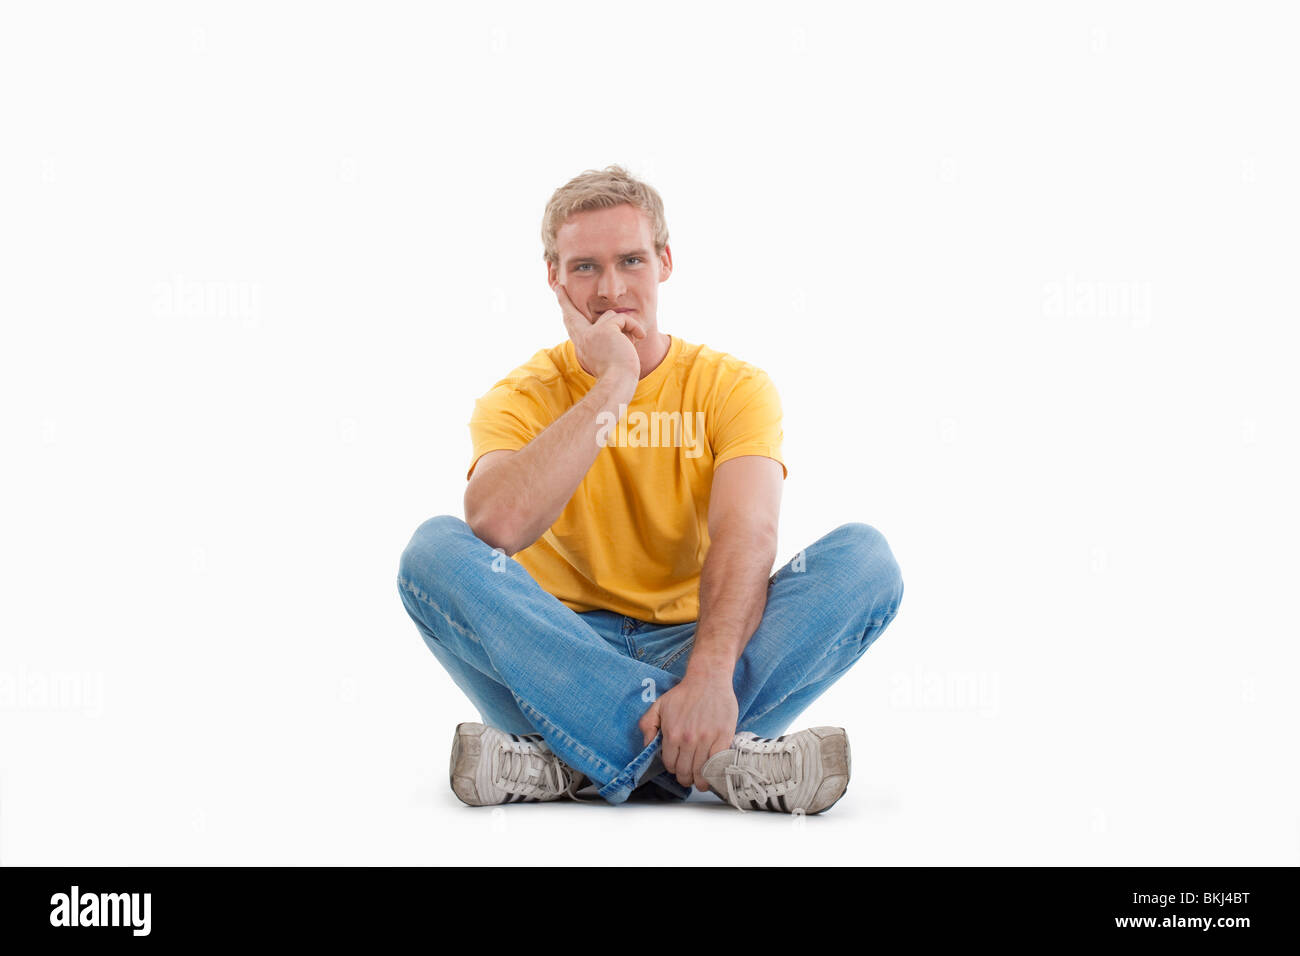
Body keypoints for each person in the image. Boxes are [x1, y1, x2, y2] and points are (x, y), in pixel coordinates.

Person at [396, 164, 904, 813]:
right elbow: (497, 524)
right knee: (432, 552)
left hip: (697, 642)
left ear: (664, 261)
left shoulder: (733, 387)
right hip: (554, 651)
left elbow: (747, 531)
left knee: (866, 559)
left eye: (631, 260)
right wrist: (614, 384)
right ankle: (718, 762)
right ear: (552, 276)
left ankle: (568, 760)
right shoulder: (519, 397)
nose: (611, 290)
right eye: (584, 268)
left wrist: (709, 678)